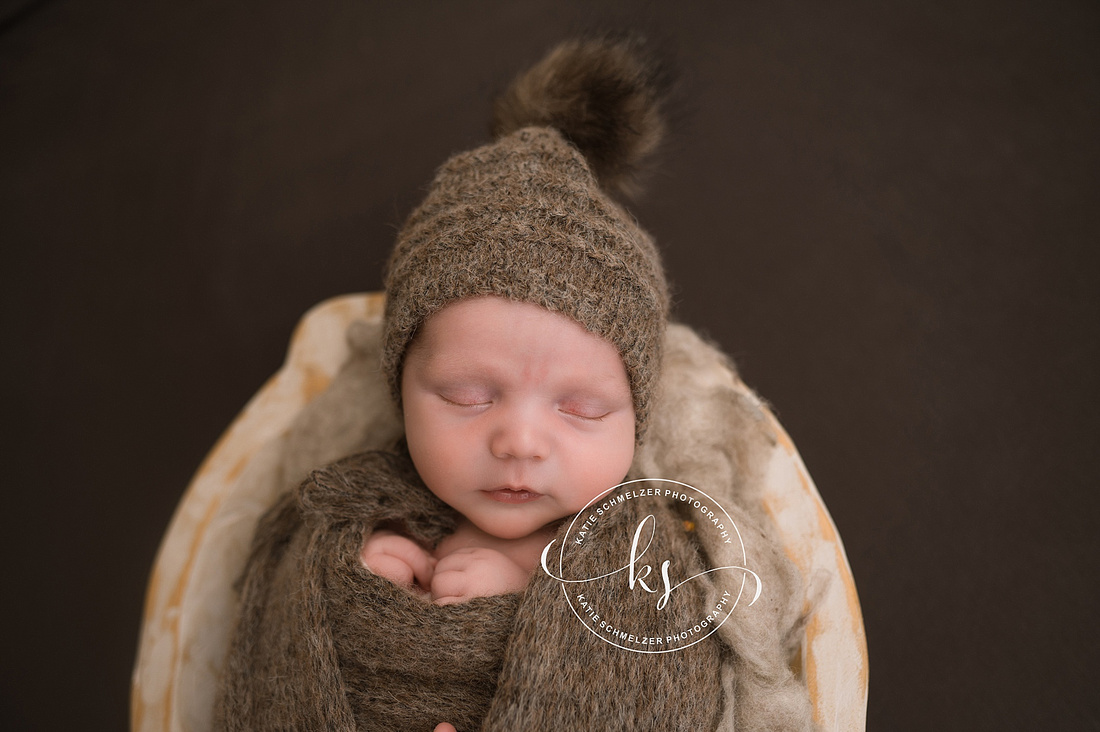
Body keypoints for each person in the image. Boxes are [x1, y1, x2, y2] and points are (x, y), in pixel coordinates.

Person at [215, 36, 815, 732]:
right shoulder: (360, 511)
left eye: (583, 409)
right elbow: (287, 654)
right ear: (398, 388)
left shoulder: (638, 559)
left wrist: (525, 590)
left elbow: (660, 691)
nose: (520, 441)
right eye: (468, 396)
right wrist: (362, 574)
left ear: (638, 418)